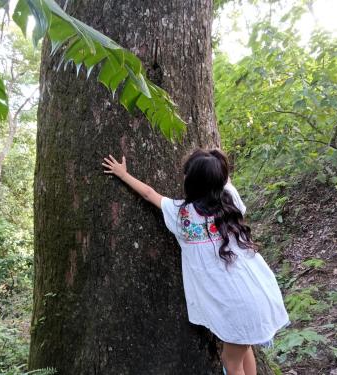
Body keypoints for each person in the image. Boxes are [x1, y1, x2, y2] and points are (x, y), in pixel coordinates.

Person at [102, 149, 290, 375]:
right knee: (243, 346)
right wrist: (214, 159)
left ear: (191, 182)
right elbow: (222, 177)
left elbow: (149, 194)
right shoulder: (230, 200)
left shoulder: (183, 215)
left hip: (235, 305)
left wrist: (123, 175)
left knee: (231, 362)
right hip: (258, 292)